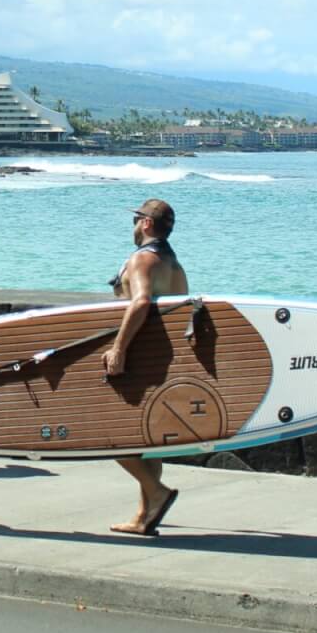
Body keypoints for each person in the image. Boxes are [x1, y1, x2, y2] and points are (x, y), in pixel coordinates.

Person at [101, 197, 189, 535]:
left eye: (136, 219)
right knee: (147, 439)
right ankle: (144, 513)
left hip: (138, 359)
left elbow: (139, 302)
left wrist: (119, 348)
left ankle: (156, 493)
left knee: (109, 433)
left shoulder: (143, 259)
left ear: (147, 224)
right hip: (165, 360)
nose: (134, 225)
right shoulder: (173, 264)